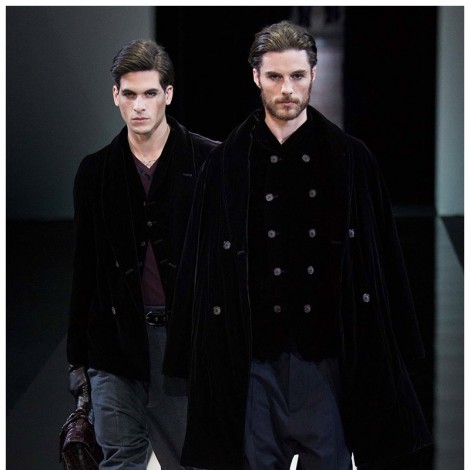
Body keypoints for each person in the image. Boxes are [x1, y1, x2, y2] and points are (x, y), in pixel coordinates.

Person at [163, 20, 432, 470]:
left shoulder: (351, 159)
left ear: (313, 75)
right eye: (275, 76)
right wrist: (183, 361)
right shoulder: (225, 164)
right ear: (256, 77)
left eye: (297, 76)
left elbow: (384, 256)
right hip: (252, 362)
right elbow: (198, 263)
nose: (287, 89)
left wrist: (405, 353)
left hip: (324, 360)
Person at [66, 38, 218, 469]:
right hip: (114, 346)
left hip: (186, 344)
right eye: (129, 94)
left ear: (168, 94)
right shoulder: (95, 173)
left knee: (196, 459)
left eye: (150, 93)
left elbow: (231, 264)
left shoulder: (210, 163)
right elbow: (85, 268)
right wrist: (77, 362)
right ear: (115, 95)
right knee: (120, 459)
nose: (139, 106)